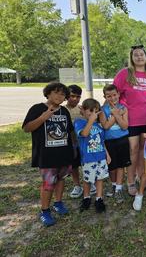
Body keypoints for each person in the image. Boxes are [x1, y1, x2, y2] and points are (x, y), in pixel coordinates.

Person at [22, 83, 74, 227]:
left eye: (63, 94)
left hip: (64, 153)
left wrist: (74, 149)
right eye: (56, 92)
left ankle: (58, 203)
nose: (59, 96)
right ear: (48, 93)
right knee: (48, 184)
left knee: (61, 179)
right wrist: (43, 117)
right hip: (46, 155)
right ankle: (44, 211)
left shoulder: (64, 111)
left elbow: (69, 131)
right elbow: (27, 128)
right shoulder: (37, 108)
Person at [113, 45, 146, 197]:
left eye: (141, 54)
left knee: (142, 150)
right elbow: (113, 93)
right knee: (132, 150)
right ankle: (130, 181)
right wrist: (115, 111)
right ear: (132, 58)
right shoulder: (124, 74)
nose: (139, 57)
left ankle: (140, 177)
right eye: (136, 55)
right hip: (131, 119)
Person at [75, 98, 110, 213]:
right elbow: (84, 133)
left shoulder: (99, 126)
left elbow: (102, 141)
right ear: (83, 110)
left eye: (95, 111)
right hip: (88, 158)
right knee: (87, 179)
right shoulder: (79, 122)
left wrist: (107, 154)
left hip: (100, 157)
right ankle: (86, 198)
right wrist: (90, 121)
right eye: (90, 110)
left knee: (100, 178)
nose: (92, 114)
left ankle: (99, 199)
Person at [99, 84, 131, 204]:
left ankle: (118, 188)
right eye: (109, 96)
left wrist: (116, 114)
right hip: (109, 141)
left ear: (118, 94)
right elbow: (106, 126)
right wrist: (116, 115)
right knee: (111, 166)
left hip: (122, 139)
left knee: (121, 166)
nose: (112, 98)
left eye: (114, 95)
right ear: (105, 97)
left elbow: (124, 126)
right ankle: (113, 185)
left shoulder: (124, 108)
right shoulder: (102, 110)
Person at [64, 84, 84, 199]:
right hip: (70, 143)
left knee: (87, 162)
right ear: (67, 96)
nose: (75, 99)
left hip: (83, 142)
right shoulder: (62, 110)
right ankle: (77, 185)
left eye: (78, 96)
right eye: (72, 96)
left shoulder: (82, 109)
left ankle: (90, 183)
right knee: (74, 165)